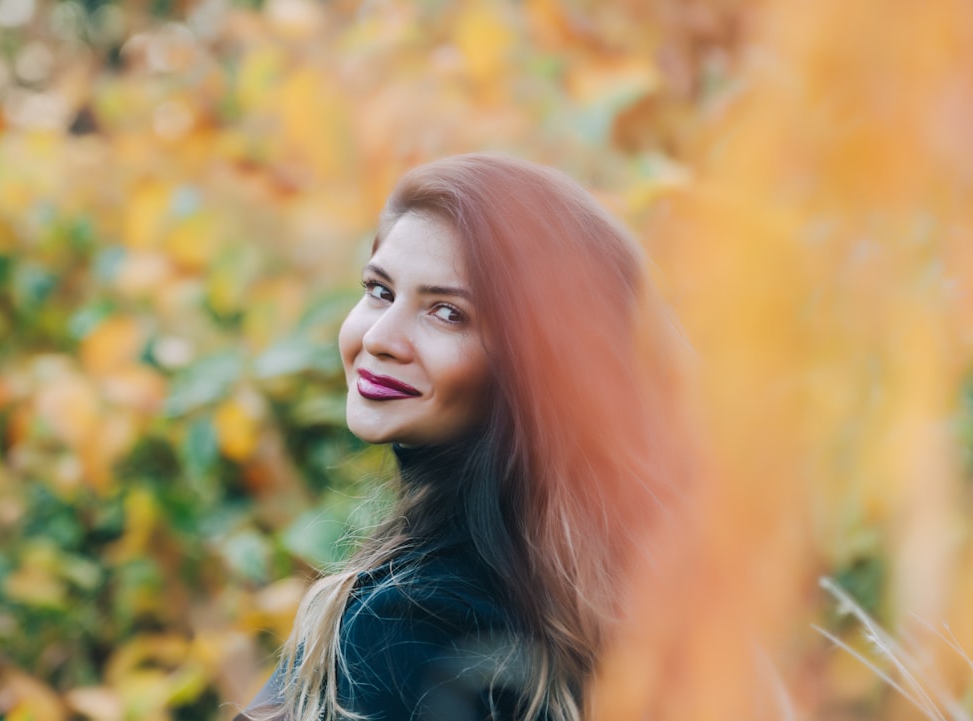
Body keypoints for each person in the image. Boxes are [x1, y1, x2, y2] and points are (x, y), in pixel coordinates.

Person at [238, 153, 684, 721]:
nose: (381, 337)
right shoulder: (626, 594)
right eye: (379, 290)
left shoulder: (408, 622)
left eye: (447, 312)